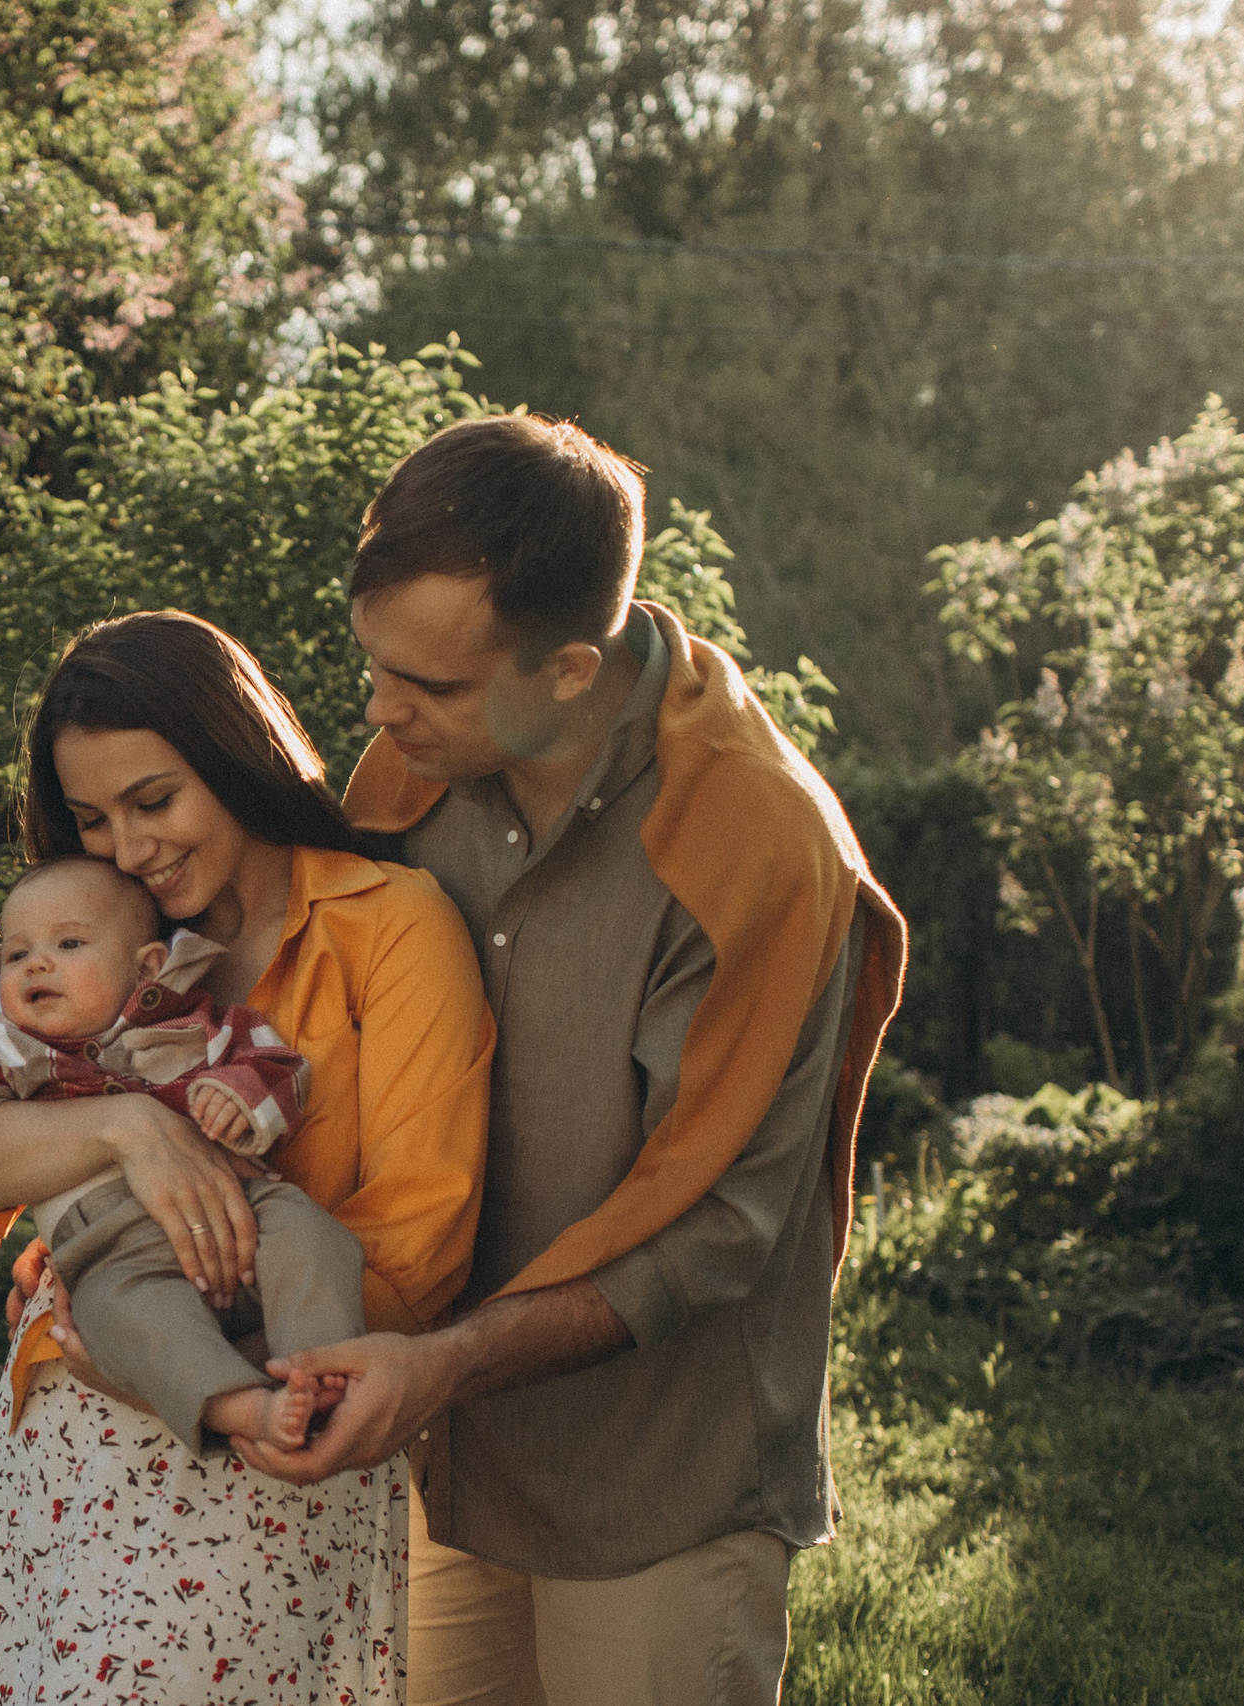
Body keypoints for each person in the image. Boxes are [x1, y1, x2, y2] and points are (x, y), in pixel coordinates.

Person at [232, 415, 908, 1706]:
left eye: (425, 684)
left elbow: (723, 1225)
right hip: (437, 1445)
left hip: (656, 1473)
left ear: (569, 667)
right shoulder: (410, 775)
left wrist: (446, 1358)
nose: (378, 712)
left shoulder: (754, 840)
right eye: (374, 667)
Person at [0, 610, 491, 1705]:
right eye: (92, 818)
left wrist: (181, 1364)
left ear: (239, 754)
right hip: (75, 1433)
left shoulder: (390, 926)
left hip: (283, 1419)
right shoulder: (78, 938)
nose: (129, 847)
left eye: (154, 800)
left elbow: (421, 1241)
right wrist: (128, 1130)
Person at [0, 854, 361, 1454]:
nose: (36, 962)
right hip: (112, 1249)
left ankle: (316, 1367)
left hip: (240, 1212)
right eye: (15, 954)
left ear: (148, 969)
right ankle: (242, 1407)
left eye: (69, 943)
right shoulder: (6, 1047)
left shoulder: (196, 1026)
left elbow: (278, 1067)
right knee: (120, 1318)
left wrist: (238, 1099)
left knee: (311, 1234)